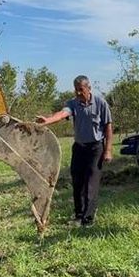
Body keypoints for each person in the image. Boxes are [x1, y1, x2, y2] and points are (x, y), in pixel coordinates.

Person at [35, 75, 113, 227]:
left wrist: (108, 150)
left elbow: (108, 127)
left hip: (95, 148)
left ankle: (88, 219)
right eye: (76, 90)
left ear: (88, 88)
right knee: (77, 182)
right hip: (79, 147)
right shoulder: (73, 103)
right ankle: (78, 215)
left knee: (91, 183)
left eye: (81, 90)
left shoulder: (100, 103)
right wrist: (48, 121)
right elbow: (63, 113)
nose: (78, 93)